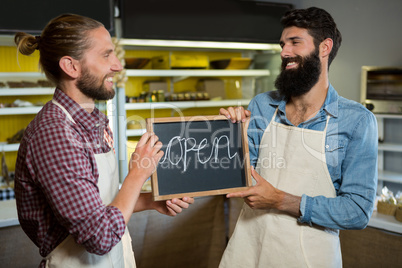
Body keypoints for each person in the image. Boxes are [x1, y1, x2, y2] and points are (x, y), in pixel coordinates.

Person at [14, 14, 193, 268]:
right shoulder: (55, 134)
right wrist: (137, 174)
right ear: (71, 66)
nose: (118, 65)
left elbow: (99, 206)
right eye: (106, 55)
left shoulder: (94, 120)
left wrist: (150, 200)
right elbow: (99, 236)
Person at [219, 7, 378, 267]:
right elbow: (239, 178)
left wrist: (281, 200)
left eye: (295, 42)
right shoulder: (262, 106)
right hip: (247, 252)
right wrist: (230, 135)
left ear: (324, 47)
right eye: (282, 44)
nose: (284, 52)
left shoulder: (357, 121)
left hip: (309, 259)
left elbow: (358, 211)